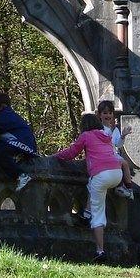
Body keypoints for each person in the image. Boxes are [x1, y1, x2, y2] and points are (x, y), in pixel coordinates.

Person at [52, 112, 123, 263]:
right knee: (93, 184)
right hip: (117, 173)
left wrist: (54, 157)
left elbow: (71, 153)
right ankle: (87, 211)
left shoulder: (86, 136)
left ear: (84, 126)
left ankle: (100, 251)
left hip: (101, 175)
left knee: (98, 215)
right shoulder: (106, 135)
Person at [0, 92, 37, 191]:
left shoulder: (4, 116)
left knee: (2, 153)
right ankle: (16, 159)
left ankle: (21, 176)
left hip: (23, 144)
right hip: (20, 143)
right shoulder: (8, 115)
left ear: (3, 106)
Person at [98, 100, 134, 201]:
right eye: (105, 113)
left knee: (125, 163)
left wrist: (123, 136)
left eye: (110, 113)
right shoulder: (98, 129)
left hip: (113, 153)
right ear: (100, 115)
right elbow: (104, 140)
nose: (108, 115)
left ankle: (129, 188)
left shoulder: (115, 129)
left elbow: (118, 144)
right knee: (116, 163)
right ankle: (119, 185)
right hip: (103, 155)